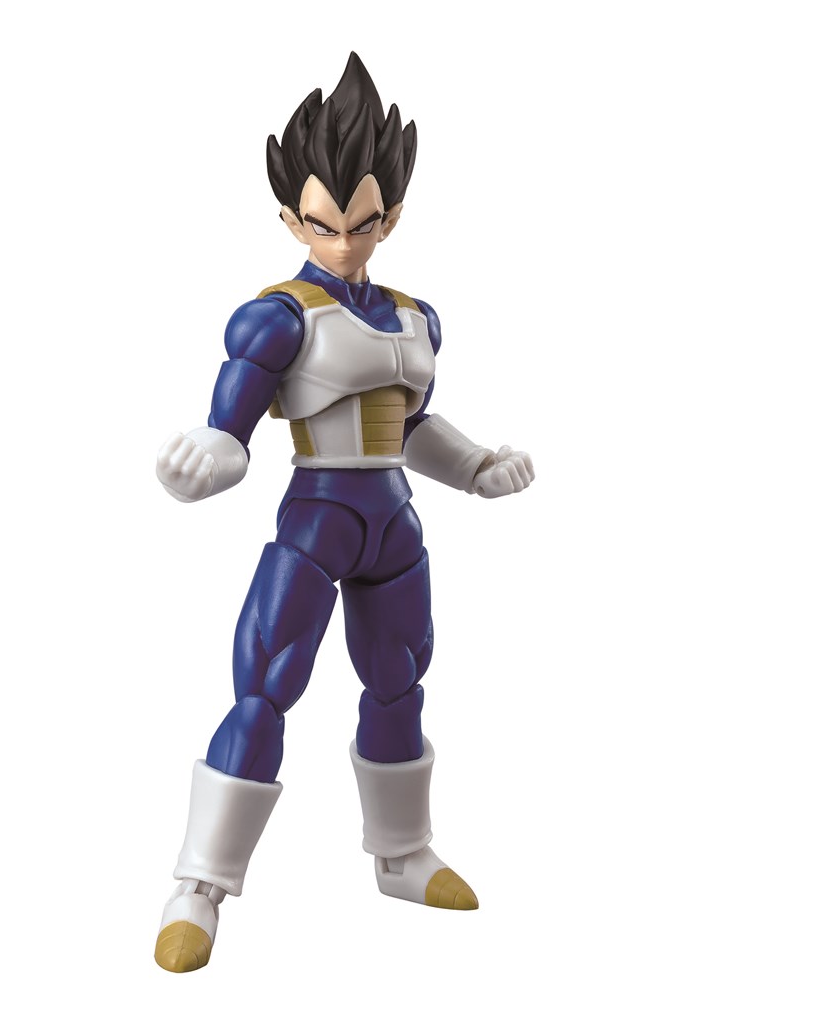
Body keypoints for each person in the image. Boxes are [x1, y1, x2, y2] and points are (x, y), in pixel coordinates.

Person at [153, 53, 535, 973]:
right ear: (291, 218)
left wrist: (477, 467)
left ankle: (402, 854)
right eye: (323, 225)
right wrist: (206, 460)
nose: (344, 243)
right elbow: (231, 429)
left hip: (394, 523)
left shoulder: (415, 317)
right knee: (265, 687)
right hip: (317, 519)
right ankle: (199, 885)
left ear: (390, 216)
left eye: (363, 224)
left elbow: (413, 426)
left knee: (399, 682)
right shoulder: (277, 317)